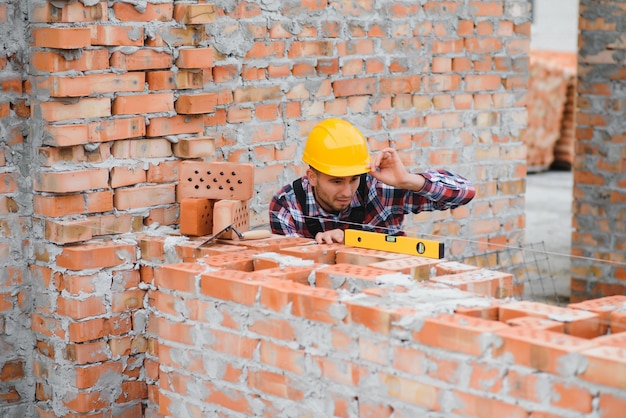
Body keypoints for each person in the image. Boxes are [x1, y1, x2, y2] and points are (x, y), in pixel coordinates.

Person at [269, 118, 476, 244]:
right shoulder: (287, 205)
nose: (347, 192)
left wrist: (408, 181)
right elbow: (289, 271)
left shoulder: (379, 191)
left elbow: (466, 192)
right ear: (312, 176)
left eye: (354, 179)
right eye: (336, 181)